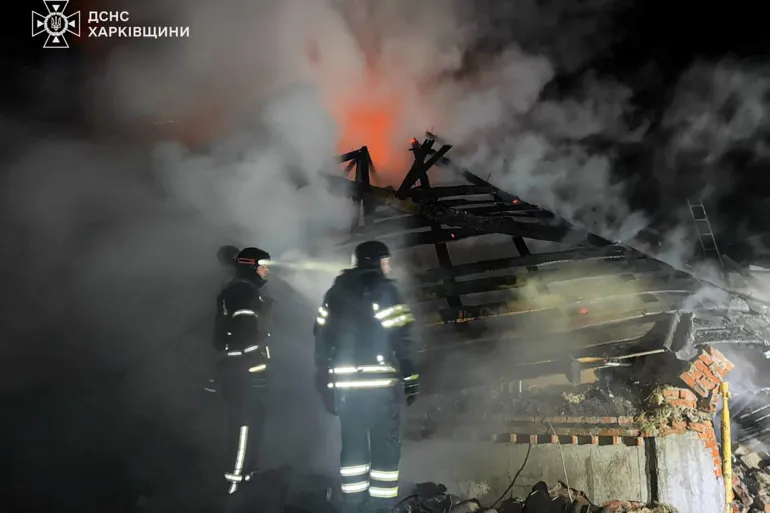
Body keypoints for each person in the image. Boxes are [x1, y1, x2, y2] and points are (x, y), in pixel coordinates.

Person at [313, 240, 420, 513]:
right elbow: (401, 335)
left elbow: (321, 338)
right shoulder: (384, 290)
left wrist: (324, 382)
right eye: (386, 262)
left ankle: (353, 505)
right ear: (377, 262)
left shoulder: (335, 293)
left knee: (353, 449)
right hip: (380, 389)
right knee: (385, 449)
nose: (388, 267)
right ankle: (382, 507)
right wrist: (410, 374)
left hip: (347, 390)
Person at [212, 246, 273, 497]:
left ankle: (246, 478)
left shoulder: (242, 290)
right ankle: (234, 486)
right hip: (244, 372)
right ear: (251, 266)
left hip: (240, 370)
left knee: (251, 423)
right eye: (263, 266)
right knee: (244, 428)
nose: (266, 271)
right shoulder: (244, 293)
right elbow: (245, 336)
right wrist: (256, 368)